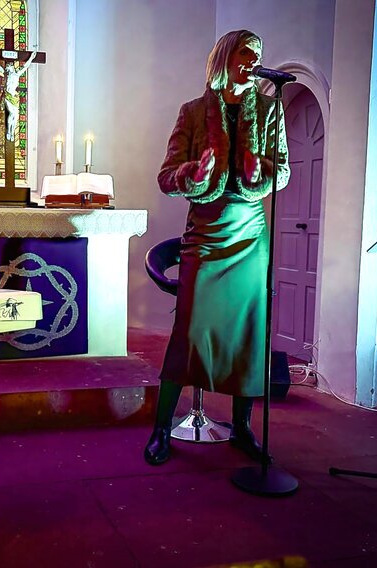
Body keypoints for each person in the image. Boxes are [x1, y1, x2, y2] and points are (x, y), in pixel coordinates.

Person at [144, 30, 290, 466]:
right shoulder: (192, 111)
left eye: (258, 53)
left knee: (248, 333)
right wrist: (196, 170)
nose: (253, 59)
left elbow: (282, 172)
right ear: (226, 56)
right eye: (246, 51)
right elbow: (167, 176)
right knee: (188, 333)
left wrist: (259, 169)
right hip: (206, 232)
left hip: (249, 234)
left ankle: (242, 427)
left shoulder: (270, 108)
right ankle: (160, 430)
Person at [0, 49, 37, 142]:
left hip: (15, 97)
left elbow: (26, 66)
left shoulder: (17, 74)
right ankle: (9, 132)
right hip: (8, 96)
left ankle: (12, 132)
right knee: (11, 113)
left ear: (12, 67)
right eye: (6, 68)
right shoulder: (5, 74)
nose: (7, 68)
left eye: (8, 67)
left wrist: (31, 57)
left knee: (16, 115)